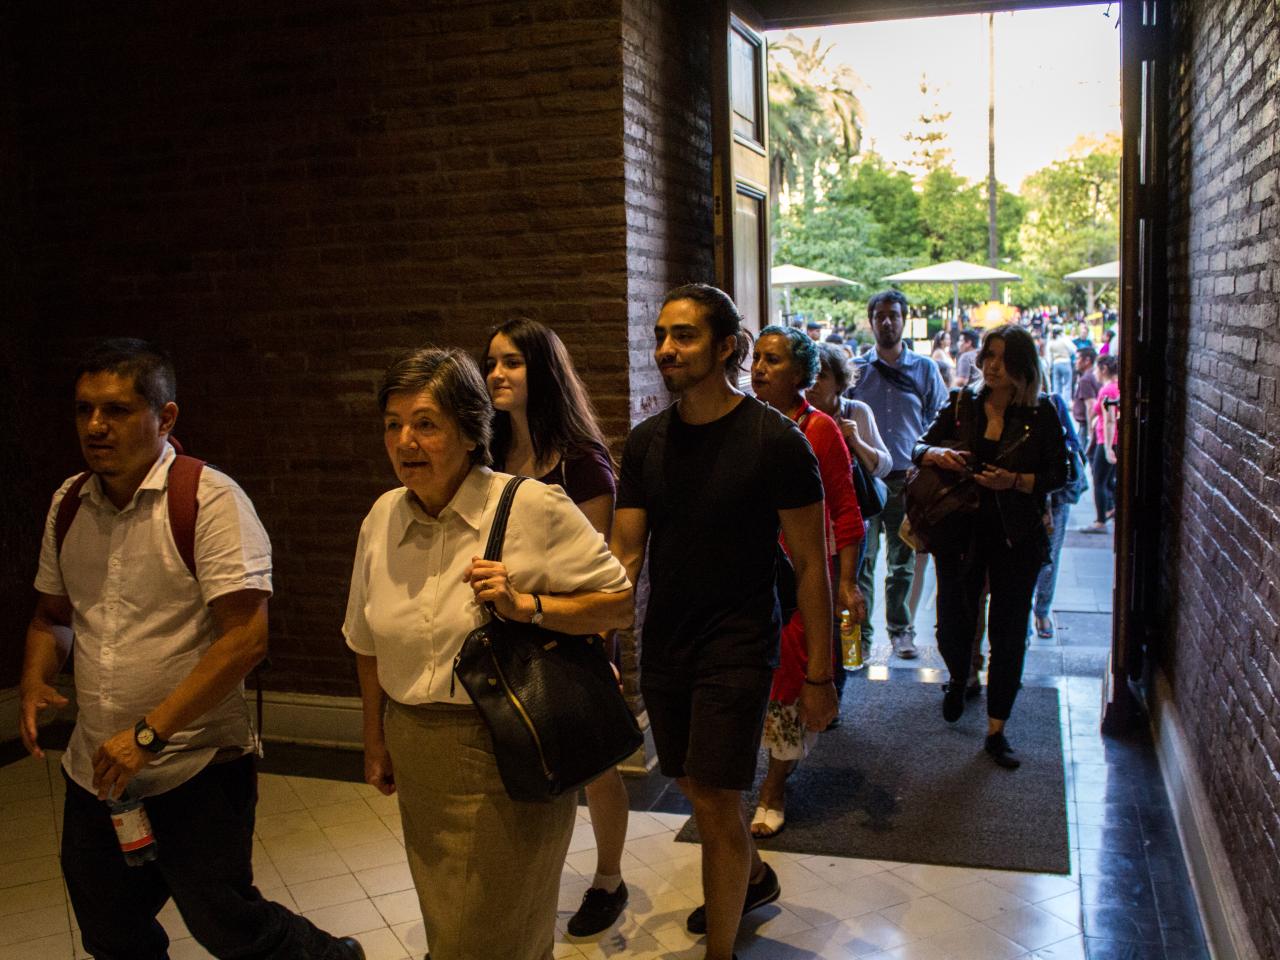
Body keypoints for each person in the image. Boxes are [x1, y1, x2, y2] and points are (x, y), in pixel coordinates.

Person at [20, 338, 366, 960]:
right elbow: (52, 615)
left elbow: (246, 640)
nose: (96, 426)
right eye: (83, 410)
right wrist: (33, 676)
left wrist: (147, 736)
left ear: (166, 417)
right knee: (109, 928)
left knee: (226, 922)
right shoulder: (68, 503)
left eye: (117, 410)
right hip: (97, 770)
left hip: (196, 765)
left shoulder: (210, 500)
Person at [345, 348, 632, 960]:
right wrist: (376, 740)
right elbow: (364, 642)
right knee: (454, 925)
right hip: (417, 748)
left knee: (491, 935)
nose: (405, 441)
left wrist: (527, 605)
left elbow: (619, 602)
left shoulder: (531, 506)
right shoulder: (380, 517)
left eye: (425, 423)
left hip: (509, 746)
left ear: (472, 430)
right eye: (393, 424)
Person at [611, 284, 834, 960]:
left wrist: (821, 675)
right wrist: (592, 627)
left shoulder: (776, 440)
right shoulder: (647, 445)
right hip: (668, 644)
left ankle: (722, 952)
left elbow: (810, 566)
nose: (665, 350)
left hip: (740, 643)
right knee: (689, 781)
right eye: (661, 336)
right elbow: (624, 556)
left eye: (683, 336)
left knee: (713, 797)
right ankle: (755, 878)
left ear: (726, 346)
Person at [482, 317, 632, 938]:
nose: (495, 373)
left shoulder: (581, 463)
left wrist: (600, 646)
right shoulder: (486, 452)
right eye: (490, 361)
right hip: (502, 629)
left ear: (541, 371)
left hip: (570, 629)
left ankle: (609, 878)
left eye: (512, 362)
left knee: (593, 764)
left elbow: (599, 570)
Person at [914, 325, 1067, 768]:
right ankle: (960, 675)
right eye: (989, 356)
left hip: (1016, 536)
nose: (993, 365)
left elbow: (1061, 474)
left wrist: (1014, 482)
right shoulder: (963, 404)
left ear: (1023, 366)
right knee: (952, 622)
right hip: (960, 530)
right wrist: (935, 455)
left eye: (1004, 358)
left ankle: (997, 729)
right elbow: (917, 445)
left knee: (1009, 631)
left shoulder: (1043, 414)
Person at [749, 325, 865, 839]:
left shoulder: (819, 429)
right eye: (755, 358)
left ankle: (773, 788)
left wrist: (847, 583)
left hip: (801, 579)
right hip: (750, 576)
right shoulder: (744, 423)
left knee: (789, 685)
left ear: (801, 374)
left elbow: (844, 509)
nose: (758, 368)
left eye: (772, 360)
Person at [847, 290, 947, 660]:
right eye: (880, 316)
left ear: (904, 320)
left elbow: (939, 419)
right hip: (866, 478)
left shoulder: (924, 369)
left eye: (893, 315)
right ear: (871, 321)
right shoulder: (856, 370)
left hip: (908, 478)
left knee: (903, 561)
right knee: (864, 559)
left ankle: (901, 631)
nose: (887, 322)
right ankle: (862, 637)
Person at [1031, 393, 1088, 638]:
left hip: (1054, 496)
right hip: (1020, 495)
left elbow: (1073, 447)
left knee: (1049, 558)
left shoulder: (1051, 403)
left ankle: (1042, 611)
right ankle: (1027, 613)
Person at [1083, 354, 1120, 533]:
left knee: (1099, 481)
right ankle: (1115, 510)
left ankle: (1100, 521)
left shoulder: (1108, 390)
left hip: (1107, 440)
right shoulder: (1117, 387)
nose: (1095, 373)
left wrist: (1106, 448)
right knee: (1109, 481)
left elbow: (1109, 420)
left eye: (1097, 368)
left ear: (1104, 369)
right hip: (1111, 440)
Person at [1072, 346, 1100, 448]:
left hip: (1086, 426)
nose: (1075, 362)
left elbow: (1091, 406)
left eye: (1078, 358)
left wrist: (1090, 432)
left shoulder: (1086, 379)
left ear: (1087, 360)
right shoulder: (1093, 375)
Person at [1045, 326, 1076, 401]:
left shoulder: (1050, 342)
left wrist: (1049, 367)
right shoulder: (1064, 340)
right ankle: (1065, 402)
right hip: (1065, 361)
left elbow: (1048, 356)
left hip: (1056, 363)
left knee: (1056, 384)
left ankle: (1056, 401)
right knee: (1067, 384)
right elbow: (1073, 349)